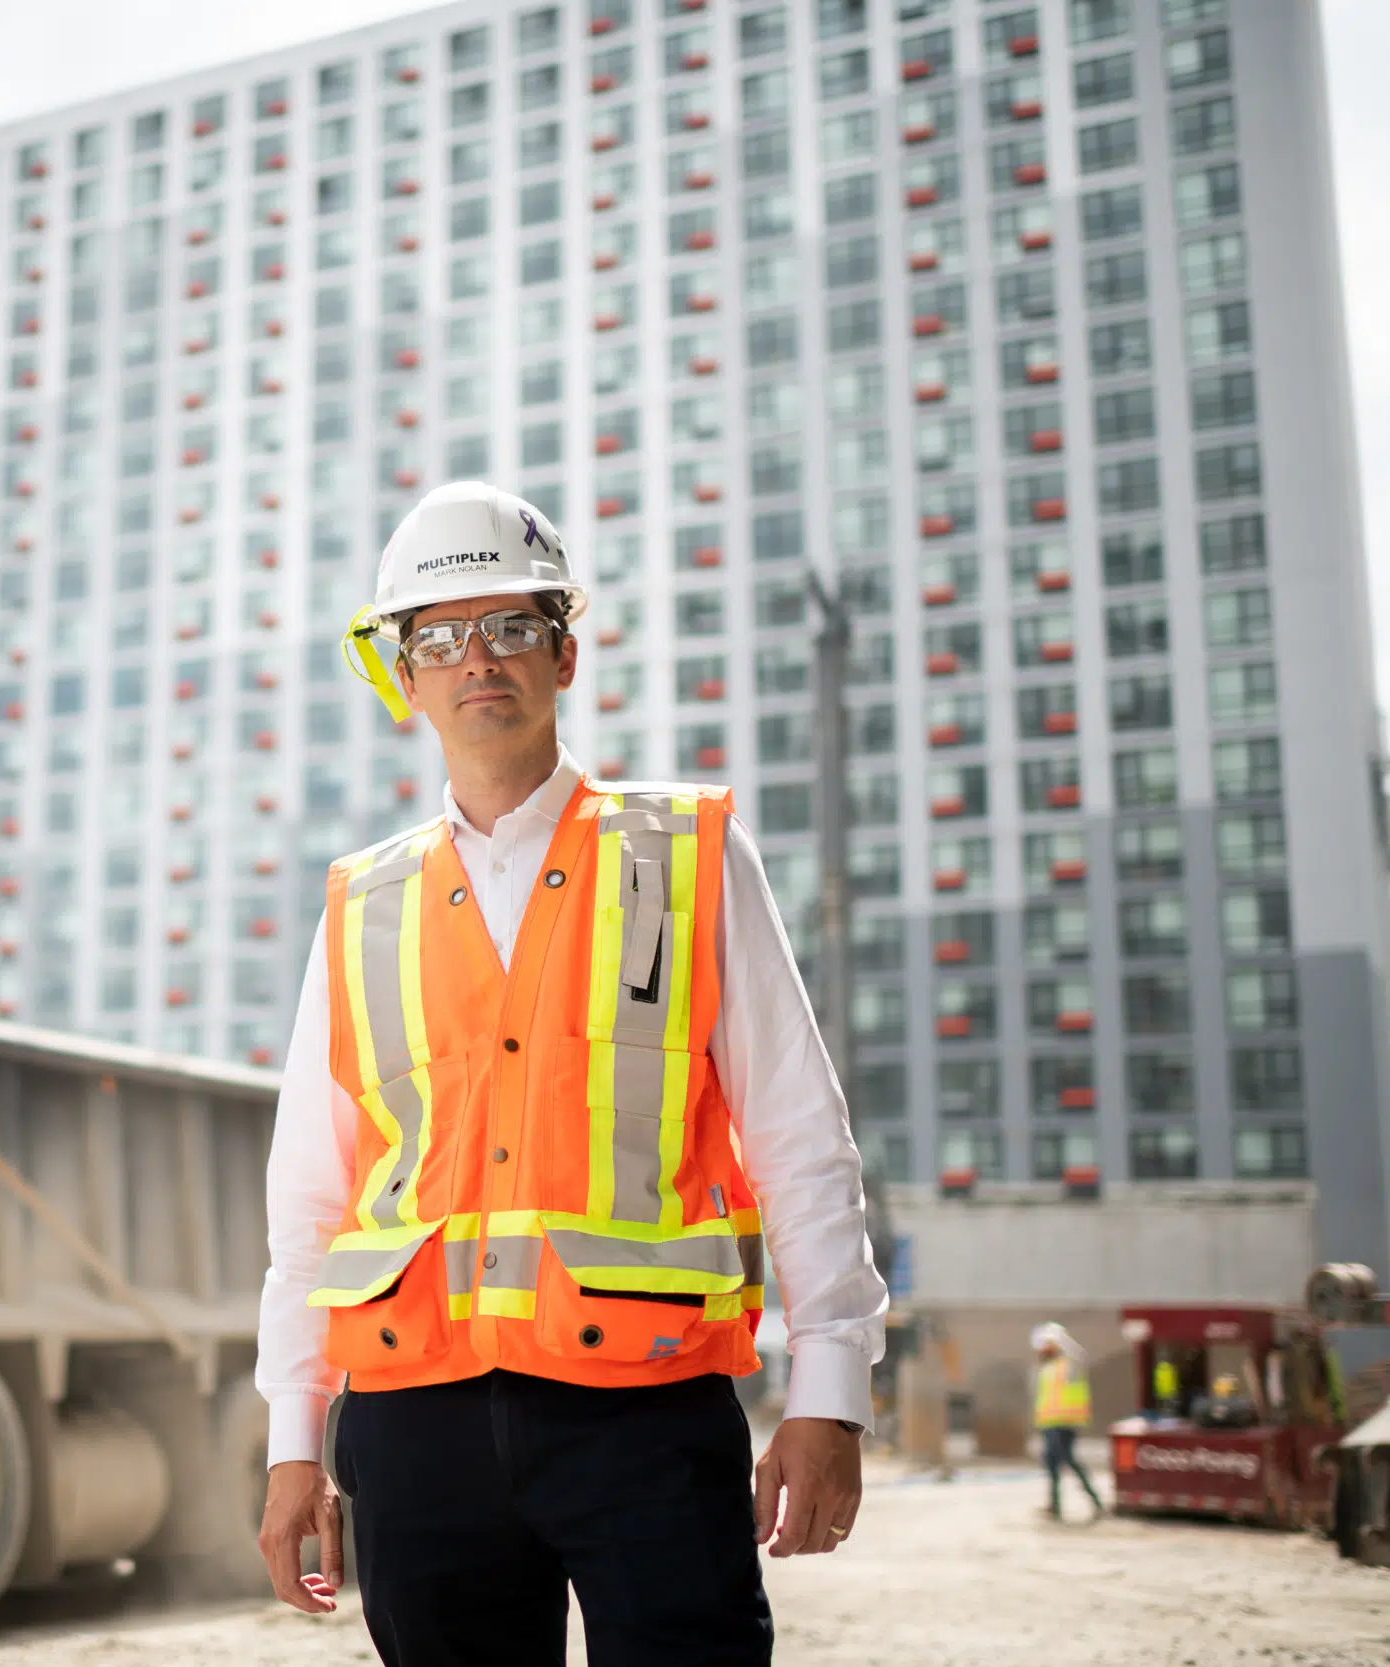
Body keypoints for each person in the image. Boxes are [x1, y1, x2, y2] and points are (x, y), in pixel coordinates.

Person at [254, 482, 889, 1666]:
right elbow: (309, 1201)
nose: (475, 658)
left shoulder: (685, 856)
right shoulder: (362, 906)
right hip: (413, 1424)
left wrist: (830, 1388)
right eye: (437, 637)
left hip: (645, 1414)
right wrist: (295, 1435)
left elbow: (799, 1135)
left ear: (564, 653)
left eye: (509, 625)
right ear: (402, 676)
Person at [1031, 1322, 1101, 1521]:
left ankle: (1094, 1500)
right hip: (1049, 1423)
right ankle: (1055, 1505)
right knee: (1052, 1463)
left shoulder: (1068, 1366)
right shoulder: (1047, 1368)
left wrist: (1062, 1339)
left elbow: (1080, 1357)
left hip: (1065, 1422)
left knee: (1068, 1460)